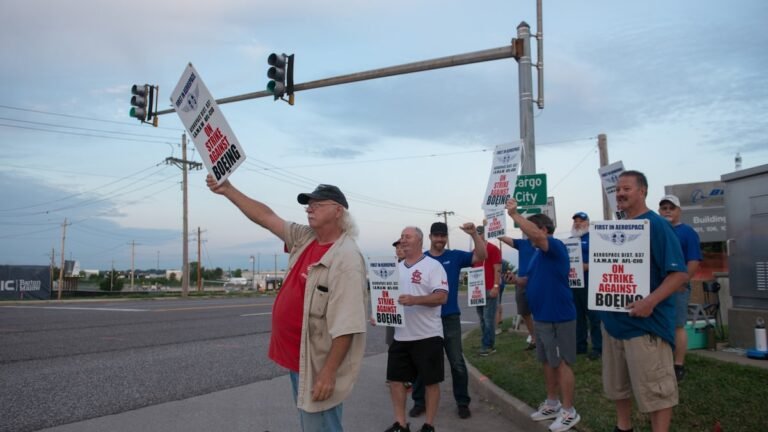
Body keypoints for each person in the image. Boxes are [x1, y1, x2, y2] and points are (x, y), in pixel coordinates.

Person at [207, 178, 368, 432]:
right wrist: (228, 189)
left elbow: (347, 325)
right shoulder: (306, 238)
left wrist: (328, 373)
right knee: (311, 422)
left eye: (317, 204)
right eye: (308, 204)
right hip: (301, 357)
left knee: (321, 425)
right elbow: (266, 216)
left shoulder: (346, 258)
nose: (309, 208)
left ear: (338, 211)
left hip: (318, 363)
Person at [601, 171, 688, 432]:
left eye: (626, 188)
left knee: (657, 392)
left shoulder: (657, 225)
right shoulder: (616, 229)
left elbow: (679, 274)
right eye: (617, 189)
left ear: (643, 191)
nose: (620, 193)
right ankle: (623, 427)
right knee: (618, 387)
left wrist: (650, 301)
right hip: (615, 324)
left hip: (646, 327)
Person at [506, 199, 581, 432]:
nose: (525, 234)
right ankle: (552, 403)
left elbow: (536, 236)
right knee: (547, 361)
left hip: (559, 316)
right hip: (541, 317)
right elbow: (528, 279)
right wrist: (516, 280)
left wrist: (515, 214)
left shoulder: (554, 246)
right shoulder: (538, 254)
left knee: (562, 363)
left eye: (528, 228)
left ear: (544, 230)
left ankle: (569, 411)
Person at [409, 221, 486, 420]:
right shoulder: (421, 259)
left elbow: (482, 256)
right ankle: (419, 402)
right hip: (425, 319)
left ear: (446, 238)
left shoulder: (455, 256)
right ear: (430, 237)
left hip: (450, 317)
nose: (440, 239)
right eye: (436, 236)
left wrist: (474, 235)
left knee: (457, 362)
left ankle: (462, 402)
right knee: (421, 362)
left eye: (443, 236)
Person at [385, 226, 448, 432]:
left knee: (431, 382)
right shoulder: (396, 269)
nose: (403, 240)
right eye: (401, 237)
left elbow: (441, 296)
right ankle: (401, 424)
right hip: (401, 335)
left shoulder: (433, 266)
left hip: (428, 334)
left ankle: (429, 425)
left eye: (407, 236)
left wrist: (415, 300)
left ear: (419, 241)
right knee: (395, 380)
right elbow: (388, 299)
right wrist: (379, 313)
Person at [658, 194, 702, 382]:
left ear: (678, 211)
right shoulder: (658, 230)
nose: (667, 211)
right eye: (664, 208)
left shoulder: (687, 232)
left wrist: (682, 282)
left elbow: (693, 261)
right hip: (658, 286)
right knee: (660, 324)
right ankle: (663, 362)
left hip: (677, 287)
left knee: (677, 325)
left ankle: (678, 365)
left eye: (671, 208)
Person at [570, 212, 603, 360]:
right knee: (578, 316)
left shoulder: (595, 238)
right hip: (574, 283)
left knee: (594, 317)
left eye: (581, 221)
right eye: (576, 221)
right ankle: (580, 345)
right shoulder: (570, 240)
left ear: (588, 223)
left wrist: (588, 266)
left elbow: (603, 259)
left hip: (591, 281)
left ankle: (598, 347)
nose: (578, 223)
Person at [498, 235, 536, 350]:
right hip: (520, 282)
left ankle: (544, 339)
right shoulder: (522, 243)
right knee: (524, 312)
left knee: (540, 311)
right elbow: (504, 237)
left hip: (537, 281)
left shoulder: (544, 243)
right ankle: (534, 338)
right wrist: (494, 231)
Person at [473, 225, 502, 356]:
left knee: (488, 318)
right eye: (476, 234)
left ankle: (488, 346)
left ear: (485, 234)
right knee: (482, 318)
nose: (479, 236)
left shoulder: (493, 248)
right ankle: (486, 342)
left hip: (490, 288)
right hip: (477, 290)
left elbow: (497, 268)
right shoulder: (475, 251)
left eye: (480, 233)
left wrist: (496, 287)